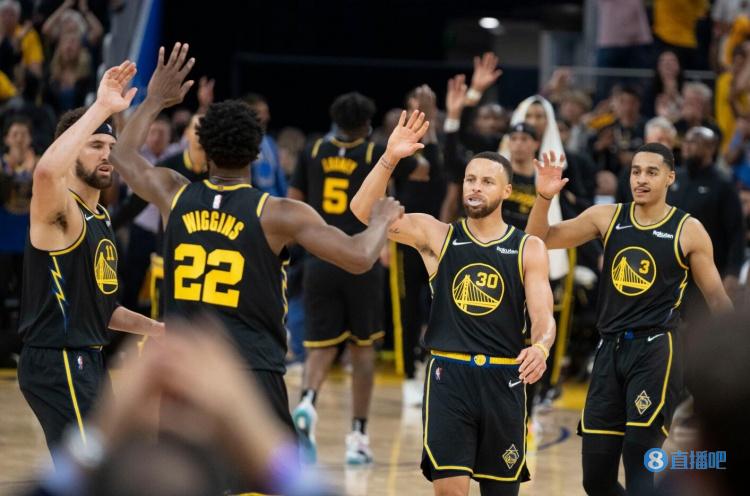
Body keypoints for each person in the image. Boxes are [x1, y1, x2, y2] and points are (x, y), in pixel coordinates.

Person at [108, 43, 404, 484]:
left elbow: (121, 156)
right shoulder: (277, 213)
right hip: (252, 372)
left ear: (205, 149)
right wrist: (381, 219)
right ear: (258, 153)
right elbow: (360, 257)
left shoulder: (174, 192)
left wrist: (155, 99)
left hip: (185, 372)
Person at [351, 111, 556, 496]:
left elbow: (543, 315)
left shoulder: (528, 247)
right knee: (450, 490)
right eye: (470, 180)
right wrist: (389, 158)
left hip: (504, 379)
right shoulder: (437, 235)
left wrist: (542, 347)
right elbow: (364, 212)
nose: (475, 188)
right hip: (449, 377)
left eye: (487, 181)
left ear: (507, 191)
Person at [525, 143, 733, 495]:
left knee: (639, 463)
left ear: (670, 177)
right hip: (609, 349)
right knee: (596, 479)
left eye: (651, 172)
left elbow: (716, 298)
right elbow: (539, 239)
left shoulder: (688, 229)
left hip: (656, 351)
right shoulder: (607, 217)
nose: (641, 179)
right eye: (636, 171)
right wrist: (544, 197)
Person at [16, 60, 164, 465]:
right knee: (94, 474)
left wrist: (158, 329)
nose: (107, 155)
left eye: (110, 147)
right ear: (71, 148)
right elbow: (45, 173)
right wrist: (100, 108)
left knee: (109, 466)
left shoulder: (100, 218)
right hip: (60, 359)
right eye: (96, 144)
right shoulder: (60, 212)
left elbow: (102, 310)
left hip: (87, 358)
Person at [288, 91, 420, 464]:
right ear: (366, 123)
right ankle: (358, 437)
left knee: (319, 347)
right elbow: (397, 193)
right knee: (363, 351)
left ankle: (308, 401)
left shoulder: (313, 150)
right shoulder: (375, 152)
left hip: (320, 256)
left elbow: (296, 199)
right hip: (362, 256)